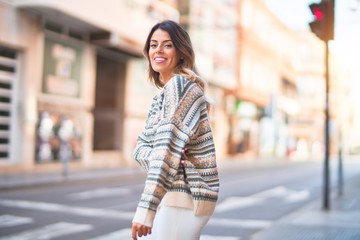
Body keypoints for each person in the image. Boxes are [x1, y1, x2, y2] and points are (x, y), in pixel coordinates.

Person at [131, 20, 220, 240]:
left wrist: (146, 210)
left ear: (181, 52)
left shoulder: (180, 87)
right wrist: (161, 152)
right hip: (174, 199)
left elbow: (165, 152)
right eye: (153, 44)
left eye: (167, 45)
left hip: (183, 201)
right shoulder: (163, 95)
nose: (158, 50)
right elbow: (143, 148)